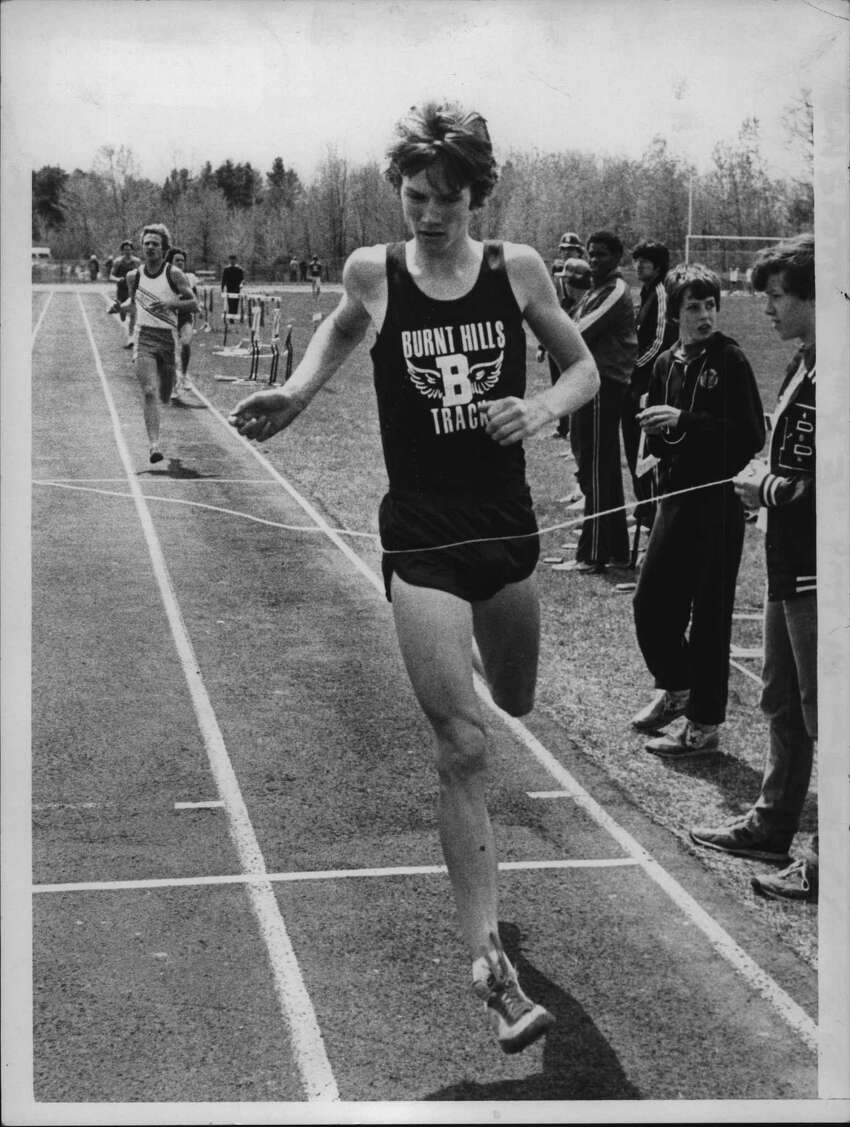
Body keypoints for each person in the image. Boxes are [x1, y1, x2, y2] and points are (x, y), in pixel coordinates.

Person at [229, 100, 599, 1053]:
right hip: (423, 533)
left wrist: (544, 407)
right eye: (414, 194)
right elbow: (344, 331)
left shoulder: (515, 269)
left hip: (504, 526)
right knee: (463, 741)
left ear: (476, 196)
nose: (427, 213)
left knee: (513, 700)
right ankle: (490, 964)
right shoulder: (374, 271)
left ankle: (492, 915)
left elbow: (585, 367)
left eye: (445, 197)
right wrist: (297, 394)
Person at [690, 235, 818, 902]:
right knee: (781, 698)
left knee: (825, 711)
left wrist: (764, 487)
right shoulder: (804, 364)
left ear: (813, 296)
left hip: (820, 570)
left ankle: (827, 862)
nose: (766, 307)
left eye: (776, 296)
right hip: (786, 559)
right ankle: (772, 823)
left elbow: (823, 481)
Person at [631, 264, 765, 755]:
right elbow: (666, 440)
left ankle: (704, 724)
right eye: (693, 307)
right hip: (674, 498)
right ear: (675, 312)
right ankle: (677, 686)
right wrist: (659, 431)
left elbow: (750, 436)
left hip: (717, 504)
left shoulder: (730, 359)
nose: (705, 316)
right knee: (651, 605)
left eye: (710, 306)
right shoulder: (667, 363)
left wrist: (685, 418)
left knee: (709, 616)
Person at [554, 230, 636, 573]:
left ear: (618, 258)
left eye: (601, 255)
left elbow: (578, 330)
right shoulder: (595, 290)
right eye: (591, 254)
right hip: (589, 384)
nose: (594, 261)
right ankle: (614, 547)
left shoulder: (616, 290)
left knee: (599, 466)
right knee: (589, 461)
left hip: (605, 384)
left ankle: (594, 553)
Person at [120, 224, 198, 463]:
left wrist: (171, 304)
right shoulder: (134, 276)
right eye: (147, 243)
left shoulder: (174, 274)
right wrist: (120, 306)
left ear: (164, 249)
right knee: (149, 391)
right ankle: (154, 445)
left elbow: (194, 305)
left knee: (164, 393)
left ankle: (173, 382)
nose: (150, 247)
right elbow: (133, 303)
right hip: (144, 338)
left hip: (167, 339)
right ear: (142, 247)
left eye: (155, 244)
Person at [623, 241, 677, 536]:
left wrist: (631, 369)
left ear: (658, 266)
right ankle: (643, 508)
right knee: (633, 447)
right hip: (635, 381)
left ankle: (652, 511)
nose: (639, 265)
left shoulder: (661, 293)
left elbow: (658, 344)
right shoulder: (644, 292)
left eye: (645, 261)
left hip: (648, 383)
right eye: (637, 260)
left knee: (647, 450)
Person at [165, 247, 199, 401]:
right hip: (169, 318)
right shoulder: (165, 278)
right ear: (170, 262)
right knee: (170, 353)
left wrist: (199, 307)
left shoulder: (190, 277)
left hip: (185, 317)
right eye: (177, 260)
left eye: (182, 261)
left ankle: (184, 375)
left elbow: (194, 297)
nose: (180, 263)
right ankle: (173, 386)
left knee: (186, 343)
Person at [108, 239, 141, 347]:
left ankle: (130, 338)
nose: (127, 251)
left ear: (132, 250)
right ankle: (119, 310)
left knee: (133, 315)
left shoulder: (136, 262)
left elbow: (141, 275)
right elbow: (111, 276)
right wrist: (118, 279)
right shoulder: (118, 262)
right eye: (125, 250)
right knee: (123, 316)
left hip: (132, 291)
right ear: (122, 251)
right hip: (121, 291)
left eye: (129, 249)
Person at [221, 254, 245, 318]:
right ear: (229, 260)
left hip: (237, 287)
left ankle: (234, 315)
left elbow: (242, 279)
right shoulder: (226, 269)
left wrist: (242, 284)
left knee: (236, 302)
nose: (232, 261)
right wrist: (222, 288)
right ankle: (231, 315)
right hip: (229, 287)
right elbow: (223, 279)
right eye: (231, 260)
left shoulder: (239, 269)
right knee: (230, 302)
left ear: (236, 260)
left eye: (233, 260)